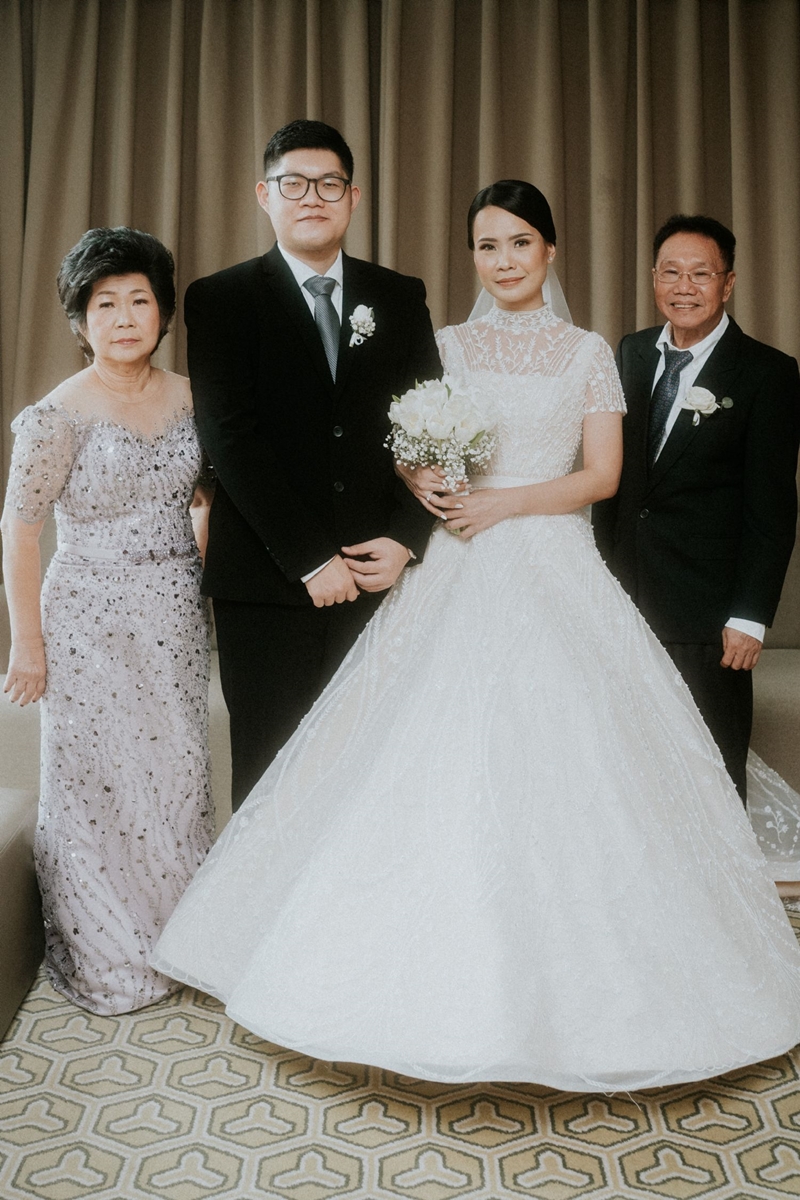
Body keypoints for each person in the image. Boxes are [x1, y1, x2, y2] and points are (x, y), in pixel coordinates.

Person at [153, 183, 800, 1092]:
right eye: (488, 246)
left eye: (520, 243)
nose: (505, 261)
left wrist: (505, 503)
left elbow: (603, 475)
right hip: (454, 559)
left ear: (550, 251)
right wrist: (421, 479)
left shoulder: (590, 352)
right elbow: (401, 444)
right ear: (474, 259)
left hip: (551, 557)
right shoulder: (446, 346)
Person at [186, 119, 441, 810]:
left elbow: (432, 423)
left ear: (353, 198)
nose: (312, 198)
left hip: (377, 575)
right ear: (264, 194)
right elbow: (229, 438)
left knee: (372, 783)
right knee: (271, 782)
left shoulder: (399, 295)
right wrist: (307, 558)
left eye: (329, 184)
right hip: (267, 584)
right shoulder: (220, 299)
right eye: (294, 184)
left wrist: (406, 539)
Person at [1, 227, 213, 1015]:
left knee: (176, 775)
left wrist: (192, 572)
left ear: (163, 313)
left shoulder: (195, 398)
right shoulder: (56, 416)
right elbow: (19, 531)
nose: (124, 319)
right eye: (105, 305)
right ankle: (108, 952)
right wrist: (28, 644)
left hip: (172, 614)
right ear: (80, 320)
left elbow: (207, 499)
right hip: (86, 618)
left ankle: (180, 939)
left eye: (139, 301)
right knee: (96, 782)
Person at [592, 215, 800, 802]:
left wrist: (750, 616)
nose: (684, 287)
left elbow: (773, 509)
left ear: (727, 283)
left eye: (700, 274)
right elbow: (615, 484)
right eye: (671, 272)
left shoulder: (768, 373)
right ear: (654, 277)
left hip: (708, 616)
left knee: (710, 781)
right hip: (625, 600)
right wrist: (599, 579)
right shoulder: (631, 353)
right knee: (626, 773)